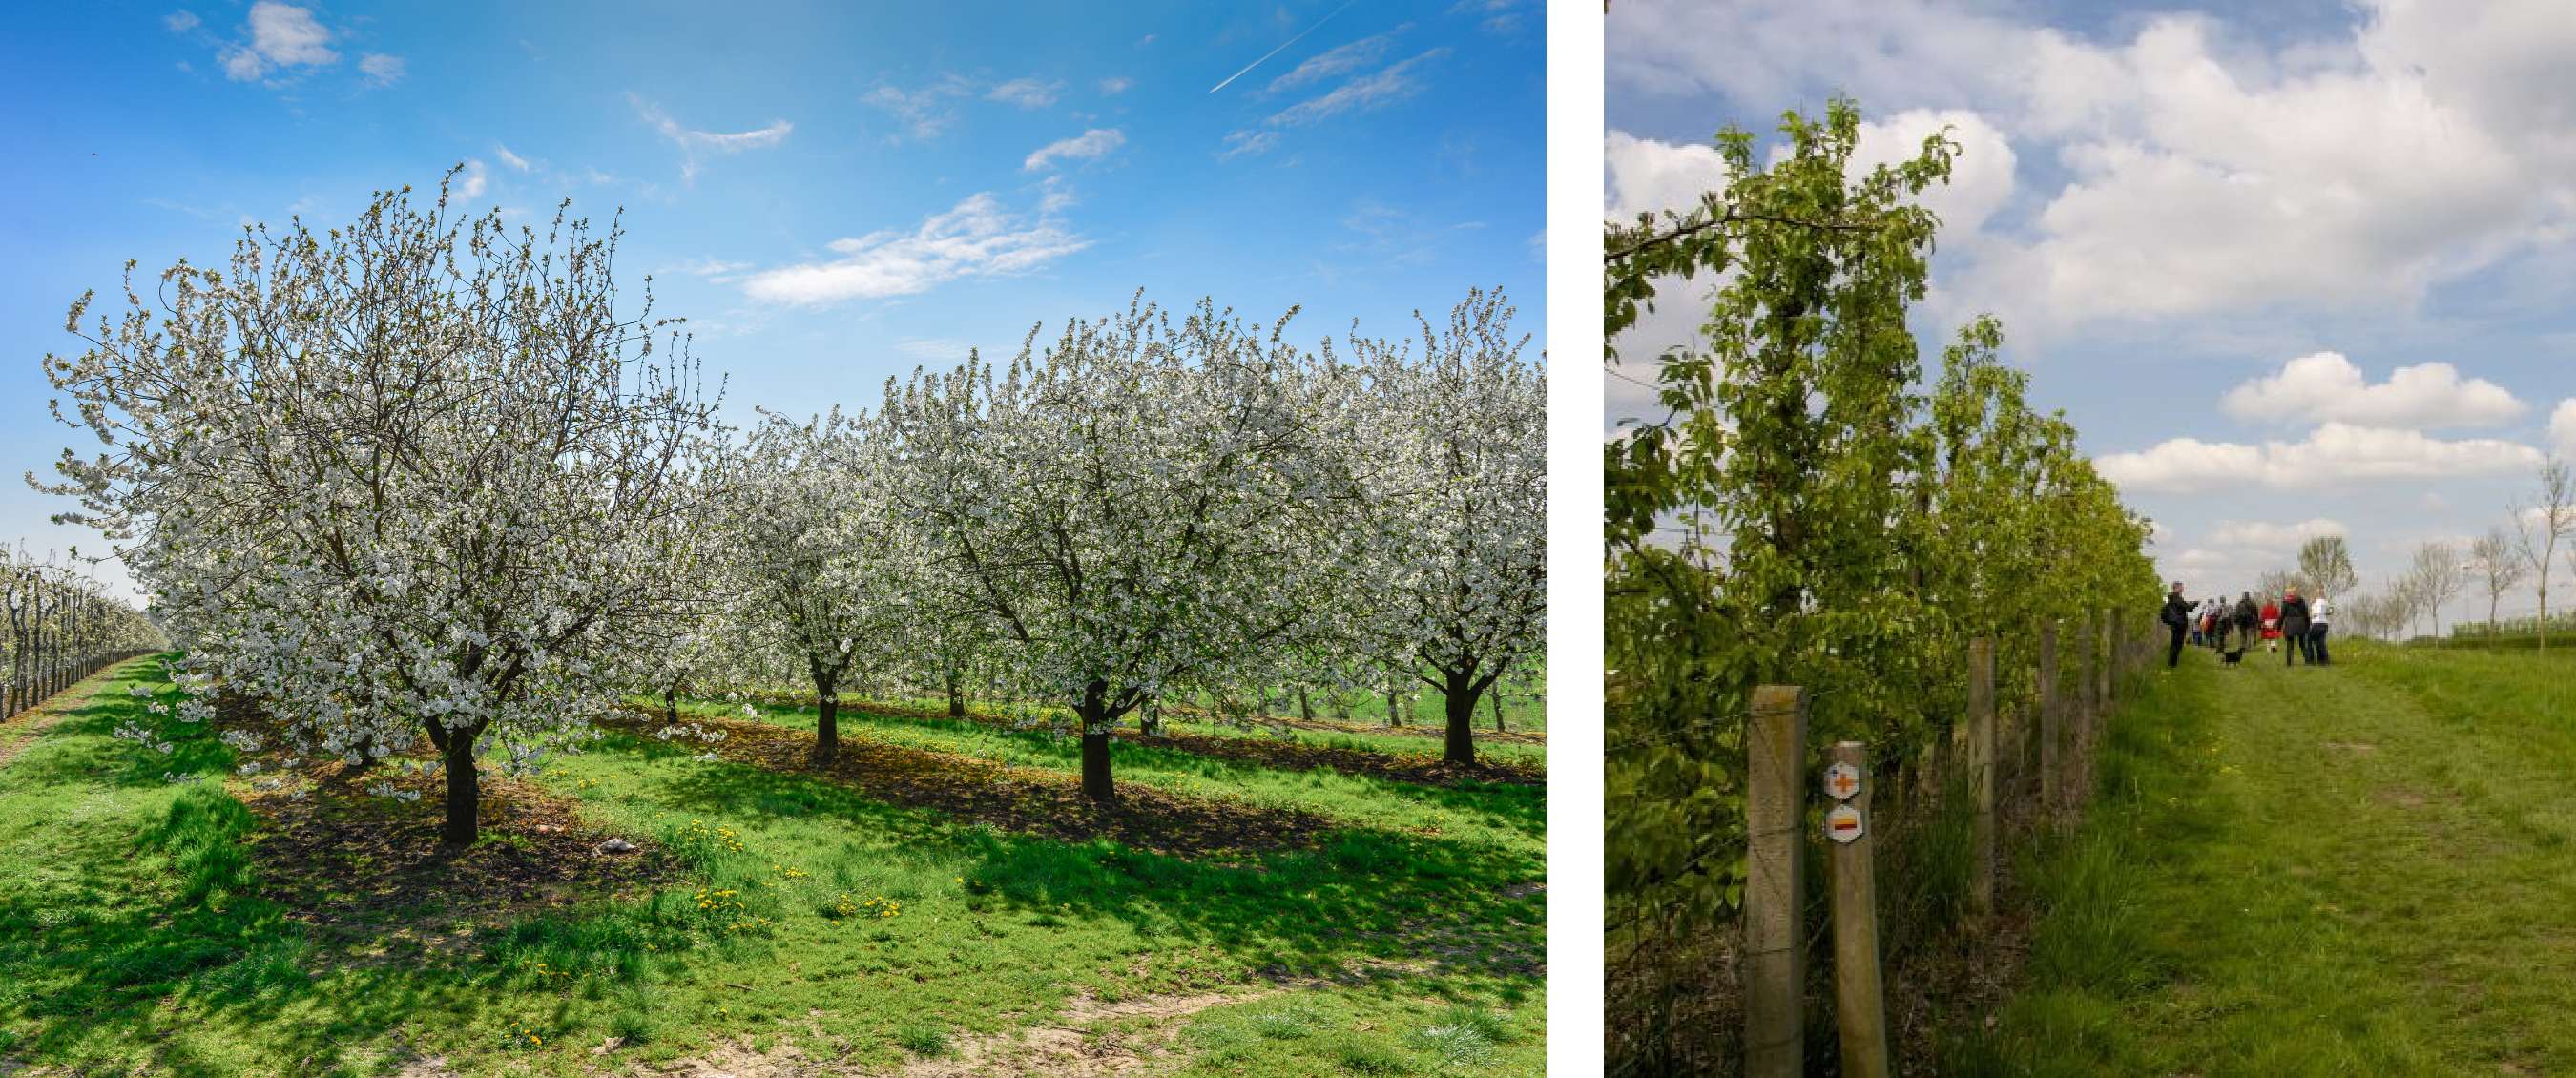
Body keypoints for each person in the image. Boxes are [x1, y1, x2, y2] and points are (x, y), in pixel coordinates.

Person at [2161, 581, 2191, 669]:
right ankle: (2172, 664)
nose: (2183, 588)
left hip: (2175, 623)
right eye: (2181, 587)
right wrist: (2195, 603)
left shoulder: (2169, 597)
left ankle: (2172, 663)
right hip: (2179, 623)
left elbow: (2164, 608)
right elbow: (2188, 607)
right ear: (2177, 588)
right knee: (2177, 644)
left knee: (2175, 643)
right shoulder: (2177, 598)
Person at [2280, 586, 2313, 666]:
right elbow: (2306, 614)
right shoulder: (2301, 601)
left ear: (2288, 593)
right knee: (2302, 644)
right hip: (2301, 624)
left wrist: (2279, 626)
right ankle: (2308, 661)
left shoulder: (2285, 602)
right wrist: (2308, 625)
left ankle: (2289, 663)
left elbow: (2282, 616)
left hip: (2290, 625)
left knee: (2290, 645)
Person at [2309, 593, 2334, 665]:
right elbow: (2331, 611)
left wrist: (2315, 614)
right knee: (2320, 642)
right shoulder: (2326, 602)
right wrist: (2326, 613)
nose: (2311, 599)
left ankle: (2311, 660)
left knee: (2308, 640)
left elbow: (2316, 613)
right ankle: (2323, 660)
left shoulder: (2317, 602)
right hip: (2325, 624)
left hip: (2317, 623)